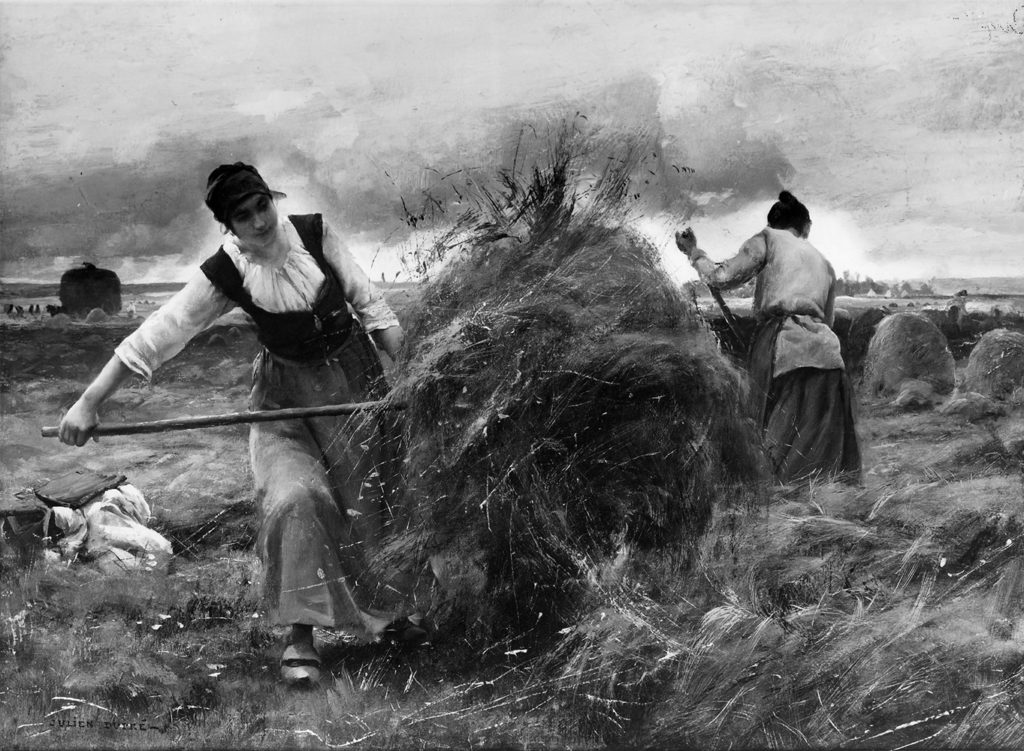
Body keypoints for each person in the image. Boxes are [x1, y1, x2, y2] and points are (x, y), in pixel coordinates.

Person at [58, 162, 422, 686]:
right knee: (294, 498)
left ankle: (391, 619)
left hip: (353, 386)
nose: (258, 221)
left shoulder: (317, 235)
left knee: (371, 502)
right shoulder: (227, 272)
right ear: (228, 224)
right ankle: (300, 636)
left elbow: (374, 308)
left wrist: (413, 375)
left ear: (271, 200)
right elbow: (160, 333)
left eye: (261, 206)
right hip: (281, 401)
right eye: (242, 215)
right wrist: (89, 402)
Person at [675, 190, 861, 485]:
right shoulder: (824, 264)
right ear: (805, 227)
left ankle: (780, 513)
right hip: (828, 359)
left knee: (776, 450)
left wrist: (694, 253)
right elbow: (827, 321)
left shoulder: (766, 239)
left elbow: (721, 278)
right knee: (820, 462)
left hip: (786, 353)